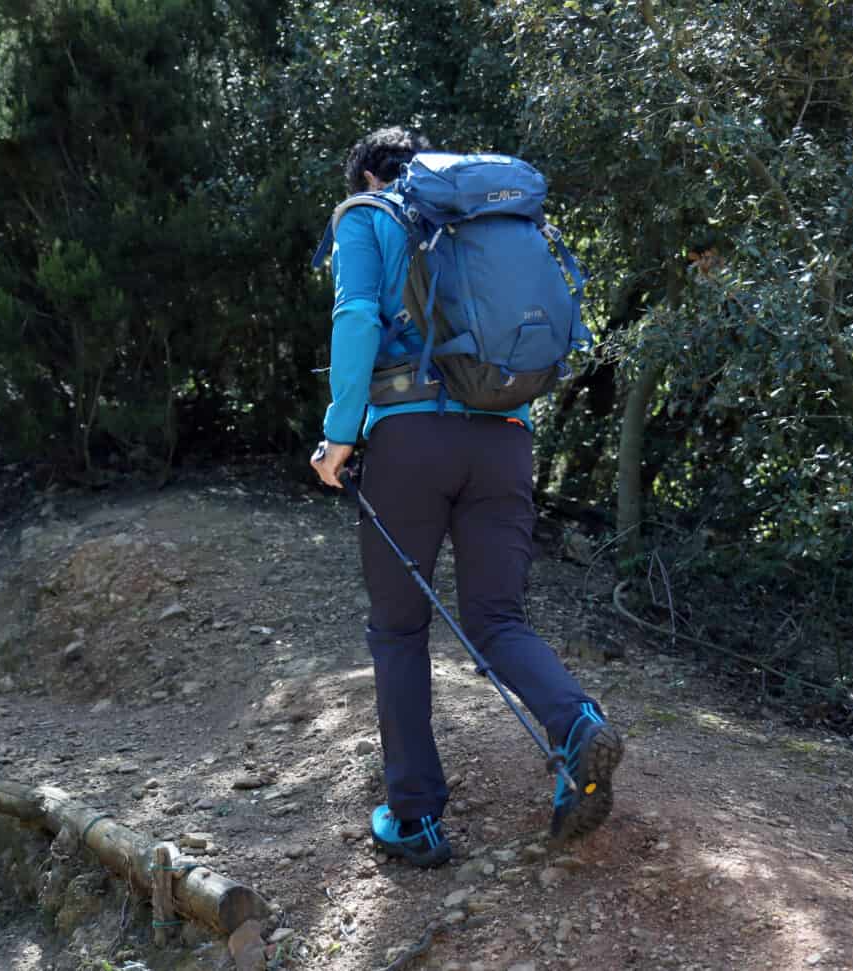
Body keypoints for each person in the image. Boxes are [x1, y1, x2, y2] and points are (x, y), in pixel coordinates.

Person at [310, 126, 623, 867]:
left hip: (409, 443)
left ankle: (414, 815)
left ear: (363, 174)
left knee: (398, 628)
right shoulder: (478, 221)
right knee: (496, 615)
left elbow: (356, 317)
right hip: (506, 438)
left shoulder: (369, 215)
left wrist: (339, 435)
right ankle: (577, 724)